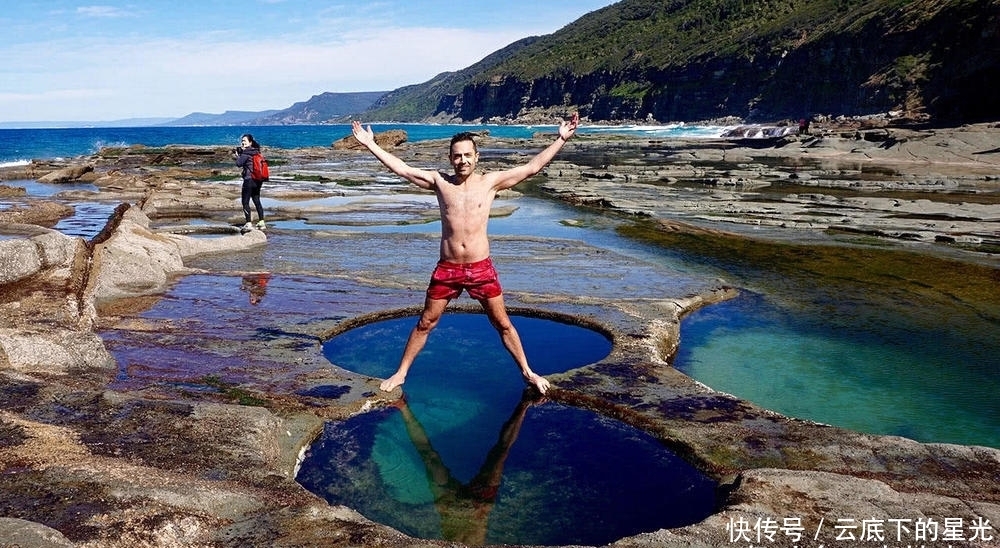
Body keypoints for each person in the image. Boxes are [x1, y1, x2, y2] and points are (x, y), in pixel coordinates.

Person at [351, 113, 579, 394]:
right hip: (447, 269)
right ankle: (401, 373)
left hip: (481, 268)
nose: (463, 161)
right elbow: (403, 169)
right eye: (457, 156)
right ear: (450, 158)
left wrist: (561, 139)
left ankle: (528, 372)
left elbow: (532, 168)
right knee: (426, 322)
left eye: (468, 155)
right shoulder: (440, 182)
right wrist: (370, 144)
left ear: (477, 157)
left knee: (502, 323)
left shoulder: (490, 182)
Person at [234, 133, 267, 231]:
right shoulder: (256, 152)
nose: (242, 142)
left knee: (245, 202)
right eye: (242, 141)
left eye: (244, 141)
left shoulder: (246, 153)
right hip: (258, 180)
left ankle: (248, 223)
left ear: (250, 142)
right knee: (257, 200)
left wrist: (237, 156)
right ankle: (261, 222)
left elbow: (238, 163)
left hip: (249, 180)